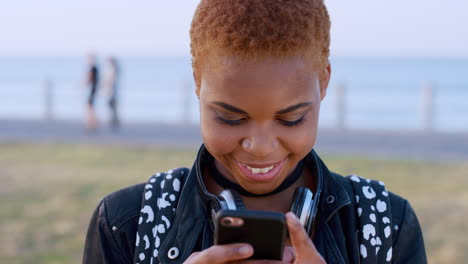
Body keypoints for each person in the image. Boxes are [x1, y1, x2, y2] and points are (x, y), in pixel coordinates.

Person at [83, 1, 427, 263]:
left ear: (323, 82)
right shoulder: (124, 224)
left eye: (291, 119)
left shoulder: (386, 226)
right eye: (230, 118)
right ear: (197, 81)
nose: (260, 147)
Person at [103, 56, 120, 130]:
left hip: (112, 91)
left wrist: (108, 88)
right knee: (112, 106)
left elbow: (110, 80)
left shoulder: (113, 69)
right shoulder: (111, 69)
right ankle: (113, 120)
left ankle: (114, 121)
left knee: (112, 106)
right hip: (110, 91)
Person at [84, 53, 99, 131]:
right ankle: (92, 122)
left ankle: (92, 123)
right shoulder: (95, 68)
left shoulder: (92, 68)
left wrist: (81, 84)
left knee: (90, 107)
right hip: (94, 89)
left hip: (92, 89)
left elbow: (88, 79)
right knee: (90, 106)